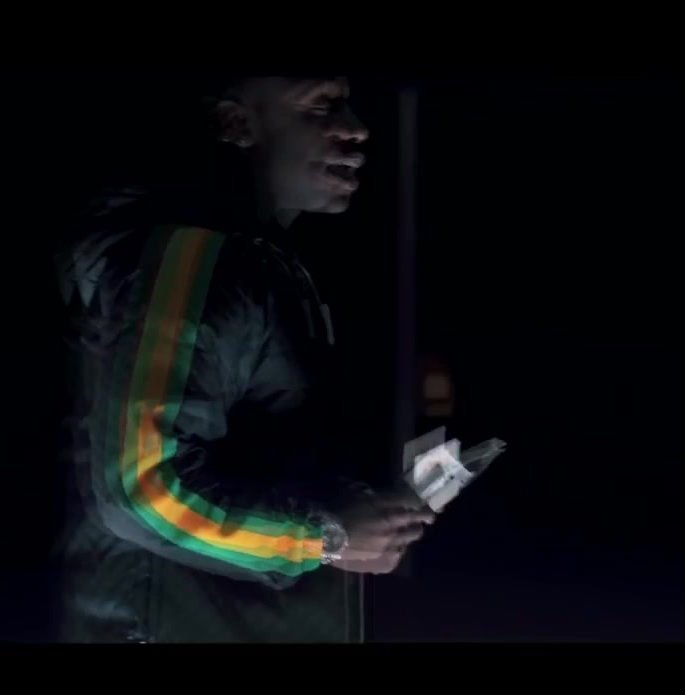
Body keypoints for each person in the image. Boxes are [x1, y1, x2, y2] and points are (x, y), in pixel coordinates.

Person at [54, 76, 435, 643]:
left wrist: (350, 509)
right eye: (322, 106)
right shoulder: (193, 260)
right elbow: (145, 488)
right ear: (234, 123)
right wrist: (324, 538)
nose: (356, 128)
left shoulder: (252, 261)